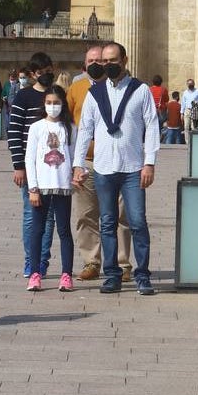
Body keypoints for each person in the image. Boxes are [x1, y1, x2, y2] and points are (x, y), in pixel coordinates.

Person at [73, 40, 159, 296]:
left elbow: (151, 126)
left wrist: (149, 163)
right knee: (107, 223)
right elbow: (85, 130)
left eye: (113, 61)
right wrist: (78, 164)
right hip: (103, 168)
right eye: (105, 61)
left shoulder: (140, 90)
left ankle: (142, 275)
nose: (108, 65)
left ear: (125, 61)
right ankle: (112, 275)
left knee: (137, 221)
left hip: (132, 168)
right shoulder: (95, 93)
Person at [67, 44, 133, 281]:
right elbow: (68, 123)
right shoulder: (76, 89)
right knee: (86, 214)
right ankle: (91, 261)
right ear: (85, 65)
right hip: (88, 162)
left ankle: (122, 264)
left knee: (121, 215)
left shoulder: (119, 89)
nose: (96, 64)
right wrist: (73, 162)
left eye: (100, 60)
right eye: (91, 61)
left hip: (118, 162)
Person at [8, 51, 57, 277]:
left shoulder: (56, 96)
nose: (46, 75)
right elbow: (15, 131)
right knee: (30, 213)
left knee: (49, 217)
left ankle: (42, 261)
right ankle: (31, 260)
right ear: (33, 74)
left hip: (53, 166)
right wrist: (18, 165)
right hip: (31, 166)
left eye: (49, 71)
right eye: (42, 72)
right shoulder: (24, 96)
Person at [24, 85, 75, 293]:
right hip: (42, 186)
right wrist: (33, 188)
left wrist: (77, 173)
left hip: (62, 185)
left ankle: (66, 274)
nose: (52, 106)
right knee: (38, 230)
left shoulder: (69, 128)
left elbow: (74, 156)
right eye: (49, 102)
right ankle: (35, 273)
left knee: (64, 230)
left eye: (56, 103)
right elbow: (30, 158)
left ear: (63, 104)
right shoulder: (37, 127)